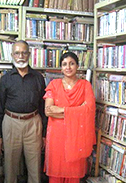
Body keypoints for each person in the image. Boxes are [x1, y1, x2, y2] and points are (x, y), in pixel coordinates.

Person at [0, 40, 47, 183]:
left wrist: (44, 134)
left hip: (33, 124)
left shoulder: (38, 78)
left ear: (29, 54)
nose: (21, 56)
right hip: (11, 123)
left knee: (34, 166)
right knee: (10, 167)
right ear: (12, 55)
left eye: (24, 52)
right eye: (17, 53)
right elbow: (0, 108)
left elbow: (43, 106)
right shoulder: (5, 79)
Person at [43, 52, 96, 183]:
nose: (68, 67)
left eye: (72, 63)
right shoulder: (54, 85)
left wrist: (61, 109)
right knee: (56, 172)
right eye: (64, 64)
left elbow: (89, 110)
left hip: (77, 137)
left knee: (74, 174)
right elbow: (48, 111)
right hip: (56, 136)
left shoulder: (85, 85)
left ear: (77, 66)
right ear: (61, 68)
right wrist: (78, 110)